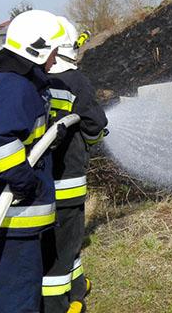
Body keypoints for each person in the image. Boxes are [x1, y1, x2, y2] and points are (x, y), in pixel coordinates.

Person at [0, 9, 65, 313]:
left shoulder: (3, 81)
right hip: (12, 213)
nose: (56, 59)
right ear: (37, 50)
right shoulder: (18, 88)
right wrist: (25, 183)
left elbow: (13, 132)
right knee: (18, 289)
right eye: (54, 51)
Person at [41, 17, 108, 313]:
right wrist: (92, 141)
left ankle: (77, 285)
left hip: (40, 181)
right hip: (68, 180)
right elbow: (95, 123)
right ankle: (57, 304)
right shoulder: (76, 81)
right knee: (63, 244)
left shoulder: (38, 79)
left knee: (67, 240)